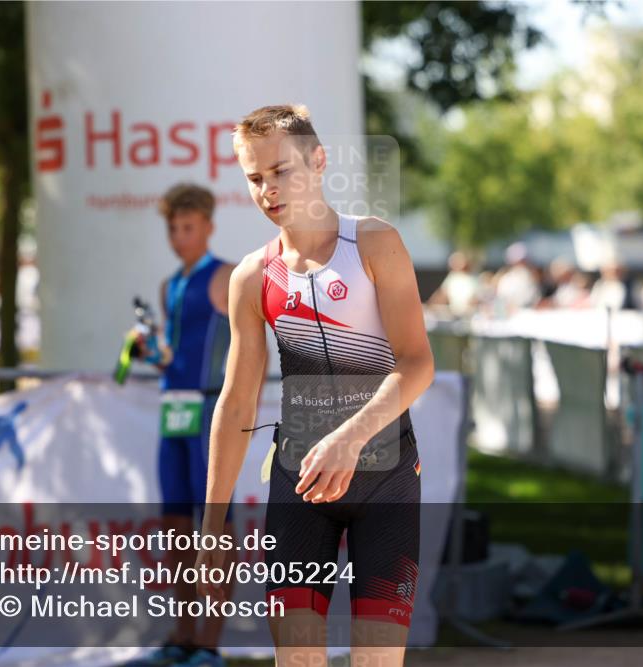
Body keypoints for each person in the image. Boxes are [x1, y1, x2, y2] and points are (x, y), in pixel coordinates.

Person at [195, 104, 434, 667]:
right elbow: (235, 404)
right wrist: (211, 525)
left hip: (385, 480)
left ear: (319, 160)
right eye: (255, 178)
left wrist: (350, 437)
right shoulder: (252, 276)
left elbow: (418, 363)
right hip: (299, 487)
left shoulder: (374, 243)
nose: (268, 189)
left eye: (281, 171)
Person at [132, 183, 235, 667]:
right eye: (173, 228)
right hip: (174, 410)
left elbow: (250, 342)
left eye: (188, 227)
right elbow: (171, 356)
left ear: (209, 227)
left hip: (211, 412)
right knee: (175, 524)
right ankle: (183, 634)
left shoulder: (228, 277)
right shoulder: (169, 284)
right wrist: (146, 348)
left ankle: (210, 644)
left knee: (214, 525)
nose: (179, 237)